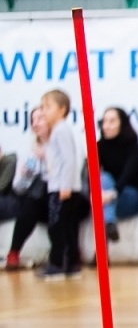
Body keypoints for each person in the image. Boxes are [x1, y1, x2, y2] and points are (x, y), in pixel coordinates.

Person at [38, 89, 87, 280]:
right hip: (62, 186)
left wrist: (65, 186)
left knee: (57, 226)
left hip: (62, 188)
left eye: (47, 107)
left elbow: (69, 160)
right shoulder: (57, 131)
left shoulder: (61, 130)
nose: (43, 112)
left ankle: (58, 264)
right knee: (67, 226)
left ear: (62, 109)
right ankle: (72, 264)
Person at [4, 109, 51, 271]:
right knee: (30, 204)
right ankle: (13, 253)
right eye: (33, 120)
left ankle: (68, 253)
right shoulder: (27, 150)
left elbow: (68, 179)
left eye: (41, 118)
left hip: (62, 196)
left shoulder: (61, 143)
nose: (36, 123)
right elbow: (18, 187)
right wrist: (27, 175)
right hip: (37, 200)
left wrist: (47, 157)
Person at [97, 107, 138, 243]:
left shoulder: (133, 146)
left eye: (112, 121)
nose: (107, 126)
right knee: (104, 180)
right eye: (105, 121)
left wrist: (113, 193)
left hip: (129, 196)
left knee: (105, 194)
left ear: (122, 123)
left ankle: (101, 251)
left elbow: (127, 175)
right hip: (107, 198)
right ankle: (109, 225)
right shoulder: (98, 146)